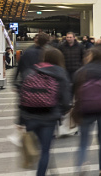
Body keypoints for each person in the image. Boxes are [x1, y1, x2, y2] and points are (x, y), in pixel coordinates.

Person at [18, 46, 72, 176]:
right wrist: (63, 111)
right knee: (45, 151)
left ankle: (51, 170)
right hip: (49, 117)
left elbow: (22, 96)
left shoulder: (31, 70)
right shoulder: (60, 73)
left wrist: (20, 120)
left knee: (37, 148)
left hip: (30, 116)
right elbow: (66, 99)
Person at [72, 46, 101, 176]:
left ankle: (81, 165)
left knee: (84, 140)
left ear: (91, 56)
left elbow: (74, 90)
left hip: (85, 109)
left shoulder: (81, 71)